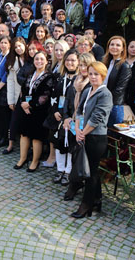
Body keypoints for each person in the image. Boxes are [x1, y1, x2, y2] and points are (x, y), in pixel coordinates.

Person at [70, 61, 112, 218]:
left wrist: (83, 133)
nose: (93, 77)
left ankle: (86, 205)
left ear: (103, 76)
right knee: (91, 171)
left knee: (91, 172)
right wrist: (77, 129)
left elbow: (97, 118)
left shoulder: (105, 94)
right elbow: (79, 111)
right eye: (91, 74)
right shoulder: (88, 90)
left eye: (96, 74)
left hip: (96, 138)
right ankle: (96, 200)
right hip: (84, 133)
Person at [14, 51, 56, 173]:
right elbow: (23, 90)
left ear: (46, 61)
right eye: (37, 59)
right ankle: (22, 158)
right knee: (24, 134)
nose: (39, 61)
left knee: (36, 137)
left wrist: (30, 104)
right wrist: (24, 104)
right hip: (25, 109)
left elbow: (45, 95)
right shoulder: (30, 74)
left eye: (42, 59)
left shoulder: (49, 77)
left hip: (39, 111)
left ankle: (34, 161)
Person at [49, 49, 80, 186]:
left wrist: (71, 117)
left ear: (78, 62)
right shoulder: (60, 77)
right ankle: (60, 169)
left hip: (72, 117)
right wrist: (55, 111)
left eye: (73, 60)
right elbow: (53, 96)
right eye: (67, 60)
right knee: (60, 142)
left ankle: (68, 171)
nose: (70, 63)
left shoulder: (79, 79)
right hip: (59, 115)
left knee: (70, 144)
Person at [3, 37, 27, 154]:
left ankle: (27, 146)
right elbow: (10, 81)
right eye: (15, 47)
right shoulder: (13, 60)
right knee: (13, 120)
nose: (18, 49)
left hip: (28, 95)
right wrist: (11, 100)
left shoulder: (31, 59)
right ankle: (10, 144)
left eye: (20, 46)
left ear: (24, 45)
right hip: (17, 95)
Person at [103, 36, 132, 127]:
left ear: (123, 48)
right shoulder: (107, 63)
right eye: (112, 44)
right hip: (103, 103)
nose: (114, 47)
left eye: (118, 45)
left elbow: (119, 89)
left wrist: (104, 99)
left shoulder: (125, 66)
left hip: (114, 106)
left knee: (112, 133)